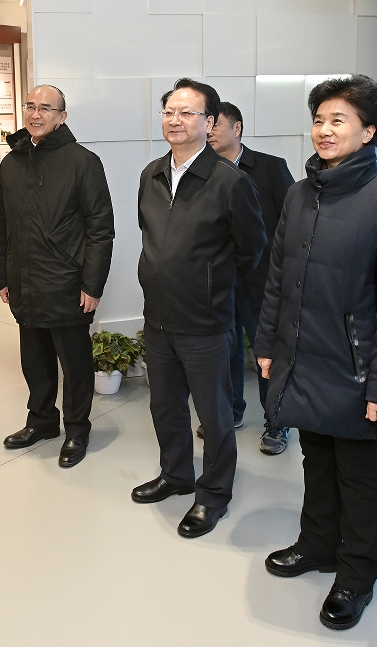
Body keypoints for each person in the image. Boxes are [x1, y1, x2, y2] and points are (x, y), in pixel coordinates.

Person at [255, 76, 377, 631]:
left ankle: (356, 574)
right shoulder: (300, 194)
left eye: (339, 121)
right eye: (319, 120)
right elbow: (277, 277)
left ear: (369, 131)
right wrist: (267, 344)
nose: (324, 131)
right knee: (315, 458)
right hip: (302, 356)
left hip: (355, 369)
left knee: (356, 473)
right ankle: (317, 544)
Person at [132, 78, 266, 538]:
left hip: (206, 322)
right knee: (165, 406)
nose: (175, 120)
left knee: (215, 416)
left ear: (209, 123)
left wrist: (213, 287)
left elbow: (252, 249)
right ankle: (175, 475)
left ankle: (213, 495)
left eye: (187, 112)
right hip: (158, 318)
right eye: (169, 111)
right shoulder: (151, 175)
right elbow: (151, 236)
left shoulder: (230, 182)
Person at [0, 85, 115, 468]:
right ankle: (42, 421)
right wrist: (1, 275)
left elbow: (101, 229)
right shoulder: (12, 162)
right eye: (30, 106)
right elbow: (0, 223)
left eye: (46, 108)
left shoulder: (83, 161)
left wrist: (92, 284)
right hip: (24, 282)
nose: (36, 114)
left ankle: (77, 429)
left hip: (67, 284)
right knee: (34, 361)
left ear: (62, 116)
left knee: (74, 366)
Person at [204, 101, 294, 454]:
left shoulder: (270, 168)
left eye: (216, 124)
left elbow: (292, 221)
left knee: (267, 353)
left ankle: (277, 423)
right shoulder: (203, 169)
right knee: (225, 351)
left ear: (237, 128)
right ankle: (231, 412)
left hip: (263, 280)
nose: (209, 130)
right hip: (221, 279)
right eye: (207, 123)